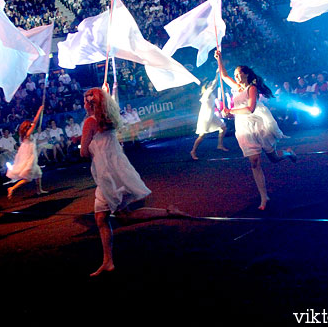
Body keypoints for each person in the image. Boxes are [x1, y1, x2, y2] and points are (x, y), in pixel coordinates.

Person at [80, 88, 188, 277]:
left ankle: (169, 213)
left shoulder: (90, 122)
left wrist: (87, 145)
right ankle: (108, 261)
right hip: (117, 168)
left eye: (85, 100)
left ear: (89, 103)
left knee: (118, 217)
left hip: (107, 174)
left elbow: (83, 153)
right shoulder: (108, 119)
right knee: (106, 217)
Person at [215, 50, 296, 211]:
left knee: (273, 158)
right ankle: (264, 196)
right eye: (235, 74)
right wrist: (220, 58)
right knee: (254, 162)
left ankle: (287, 153)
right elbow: (224, 76)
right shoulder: (237, 88)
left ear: (246, 74)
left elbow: (250, 108)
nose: (236, 76)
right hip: (243, 127)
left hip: (258, 125)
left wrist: (231, 111)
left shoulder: (251, 88)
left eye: (238, 74)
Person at [6, 106, 47, 199]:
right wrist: (39, 111)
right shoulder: (27, 135)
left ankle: (39, 190)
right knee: (28, 178)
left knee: (38, 174)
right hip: (30, 157)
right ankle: (12, 188)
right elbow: (35, 123)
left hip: (31, 155)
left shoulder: (26, 135)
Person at [190, 78, 228, 160]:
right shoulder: (207, 93)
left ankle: (220, 145)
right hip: (205, 117)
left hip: (212, 115)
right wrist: (217, 74)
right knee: (202, 135)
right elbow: (213, 85)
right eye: (210, 84)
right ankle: (193, 151)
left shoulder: (210, 94)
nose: (212, 85)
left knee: (223, 127)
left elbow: (214, 86)